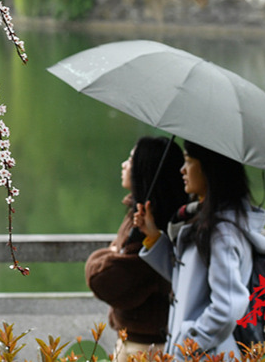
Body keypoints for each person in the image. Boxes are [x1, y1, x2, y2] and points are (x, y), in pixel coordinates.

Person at [134, 141, 265, 358]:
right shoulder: (204, 221)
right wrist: (153, 237)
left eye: (188, 162)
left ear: (209, 169)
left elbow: (228, 306)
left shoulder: (222, 233)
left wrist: (190, 344)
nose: (182, 170)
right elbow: (189, 284)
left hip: (208, 354)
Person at [85, 136, 187, 362]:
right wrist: (112, 254)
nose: (124, 165)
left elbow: (105, 278)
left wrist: (107, 256)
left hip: (147, 347)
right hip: (138, 341)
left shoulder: (152, 223)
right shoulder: (142, 215)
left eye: (131, 160)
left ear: (144, 170)